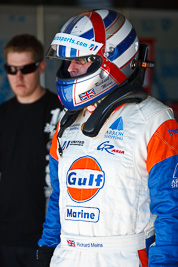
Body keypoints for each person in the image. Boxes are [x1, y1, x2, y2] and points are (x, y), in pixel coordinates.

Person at [36, 9, 178, 267]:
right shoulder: (66, 121)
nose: (70, 67)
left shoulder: (155, 120)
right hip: (66, 256)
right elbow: (58, 197)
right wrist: (46, 249)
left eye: (81, 59)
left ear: (113, 59)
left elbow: (170, 211)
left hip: (125, 257)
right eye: (68, 60)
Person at [0, 33, 63, 267]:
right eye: (11, 68)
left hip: (49, 236)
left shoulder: (62, 112)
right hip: (6, 235)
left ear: (41, 67)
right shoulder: (3, 115)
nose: (18, 76)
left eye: (25, 68)